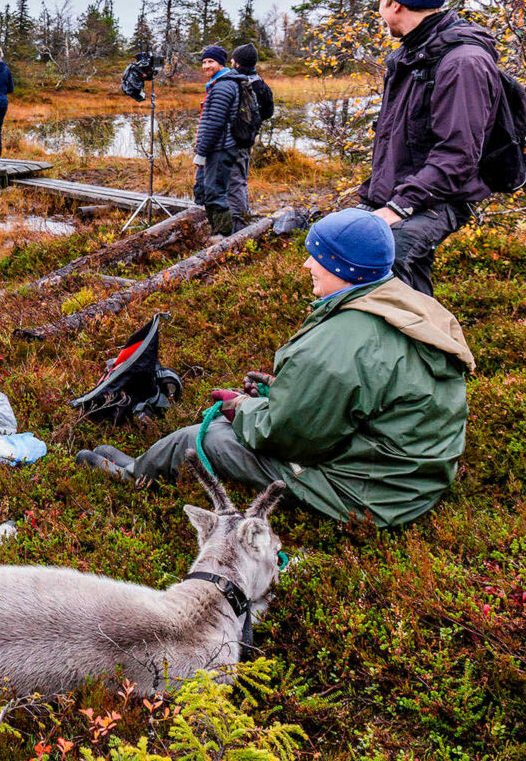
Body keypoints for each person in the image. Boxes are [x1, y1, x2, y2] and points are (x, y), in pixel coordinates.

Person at [77, 209, 473, 528]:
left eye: (318, 257)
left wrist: (241, 409)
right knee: (228, 424)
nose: (307, 264)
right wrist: (283, 392)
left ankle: (133, 476)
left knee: (204, 436)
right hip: (413, 480)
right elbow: (367, 396)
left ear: (344, 268)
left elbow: (287, 438)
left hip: (368, 496)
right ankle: (142, 463)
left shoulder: (341, 345)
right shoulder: (409, 305)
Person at [360, 0, 502, 297]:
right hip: (409, 191)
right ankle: (413, 338)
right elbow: (399, 137)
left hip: (441, 197)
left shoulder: (462, 63)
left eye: (380, 3)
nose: (380, 12)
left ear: (396, 4)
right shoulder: (412, 54)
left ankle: (424, 344)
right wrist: (375, 195)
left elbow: (457, 156)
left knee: (385, 258)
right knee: (382, 264)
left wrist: (398, 206)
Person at [193, 44, 241, 236]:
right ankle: (214, 230)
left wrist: (201, 153)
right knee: (204, 189)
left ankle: (223, 236)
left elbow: (214, 123)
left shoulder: (223, 86)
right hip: (215, 147)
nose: (206, 66)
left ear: (221, 63)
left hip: (219, 148)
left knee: (215, 193)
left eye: (210, 61)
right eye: (204, 62)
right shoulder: (217, 83)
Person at [227, 43, 274, 229]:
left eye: (233, 59)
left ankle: (239, 225)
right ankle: (242, 217)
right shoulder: (260, 83)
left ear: (237, 63)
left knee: (234, 182)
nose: (231, 62)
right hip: (248, 139)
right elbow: (269, 112)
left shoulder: (238, 83)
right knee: (241, 180)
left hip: (236, 140)